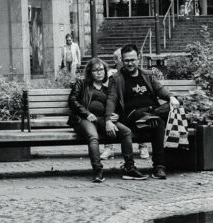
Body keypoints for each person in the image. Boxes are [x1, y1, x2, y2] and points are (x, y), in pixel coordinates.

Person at [105, 43, 181, 181]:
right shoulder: (116, 79)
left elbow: (160, 90)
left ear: (138, 58)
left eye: (132, 60)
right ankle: (159, 167)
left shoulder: (148, 75)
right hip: (133, 115)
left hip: (152, 113)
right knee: (156, 121)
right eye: (126, 60)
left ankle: (159, 166)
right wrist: (108, 119)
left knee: (170, 110)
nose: (130, 63)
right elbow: (111, 99)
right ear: (121, 60)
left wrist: (171, 97)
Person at [69, 57, 146, 183]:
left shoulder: (110, 86)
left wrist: (116, 116)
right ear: (90, 72)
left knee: (126, 131)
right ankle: (98, 171)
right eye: (95, 70)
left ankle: (130, 168)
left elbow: (115, 103)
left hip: (103, 120)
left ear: (105, 71)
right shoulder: (82, 83)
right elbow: (72, 100)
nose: (99, 72)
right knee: (93, 137)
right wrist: (87, 113)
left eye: (101, 70)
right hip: (83, 119)